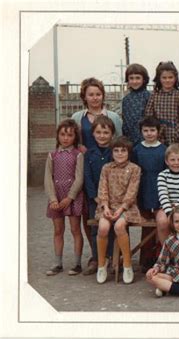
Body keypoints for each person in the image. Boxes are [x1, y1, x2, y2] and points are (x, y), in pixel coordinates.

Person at [95, 136, 141, 284]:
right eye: (116, 150)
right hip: (108, 205)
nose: (120, 153)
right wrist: (106, 206)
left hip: (126, 207)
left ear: (128, 152)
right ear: (112, 152)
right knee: (103, 227)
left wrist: (121, 209)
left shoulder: (134, 169)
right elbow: (103, 188)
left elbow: (132, 192)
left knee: (119, 226)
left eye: (123, 150)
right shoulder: (106, 168)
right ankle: (102, 264)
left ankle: (127, 264)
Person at [44, 119, 84, 276]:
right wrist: (53, 199)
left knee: (75, 229)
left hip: (72, 197)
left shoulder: (78, 155)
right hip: (56, 197)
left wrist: (70, 197)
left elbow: (79, 178)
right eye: (62, 134)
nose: (66, 138)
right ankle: (58, 263)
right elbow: (48, 178)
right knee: (58, 230)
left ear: (75, 137)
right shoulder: (52, 155)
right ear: (57, 136)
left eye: (69, 135)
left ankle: (77, 263)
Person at [82, 115, 116, 275]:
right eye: (98, 132)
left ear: (112, 134)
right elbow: (87, 177)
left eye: (106, 132)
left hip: (114, 199)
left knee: (114, 228)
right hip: (95, 199)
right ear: (93, 134)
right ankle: (98, 258)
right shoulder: (89, 154)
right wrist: (95, 197)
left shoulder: (116, 152)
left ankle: (115, 257)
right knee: (96, 228)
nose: (102, 135)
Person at [131, 118, 167, 267]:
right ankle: (145, 260)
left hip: (160, 188)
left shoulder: (164, 150)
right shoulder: (136, 149)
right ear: (141, 132)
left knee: (161, 224)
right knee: (146, 225)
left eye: (152, 130)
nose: (149, 133)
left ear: (158, 131)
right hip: (143, 188)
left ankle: (160, 258)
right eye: (146, 130)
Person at [144, 61, 179, 146]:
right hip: (158, 133)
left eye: (170, 77)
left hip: (175, 133)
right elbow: (148, 115)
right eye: (164, 78)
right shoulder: (154, 95)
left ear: (175, 78)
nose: (167, 80)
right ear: (159, 79)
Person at [71, 77, 122, 151]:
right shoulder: (76, 117)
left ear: (103, 96)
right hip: (85, 159)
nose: (95, 98)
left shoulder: (114, 117)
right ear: (84, 97)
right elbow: (72, 141)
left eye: (98, 94)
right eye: (91, 95)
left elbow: (119, 140)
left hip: (109, 159)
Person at [121, 63, 151, 146]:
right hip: (129, 139)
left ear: (144, 80)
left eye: (138, 78)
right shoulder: (126, 99)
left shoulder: (148, 97)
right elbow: (125, 121)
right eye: (131, 78)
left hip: (145, 139)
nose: (134, 81)